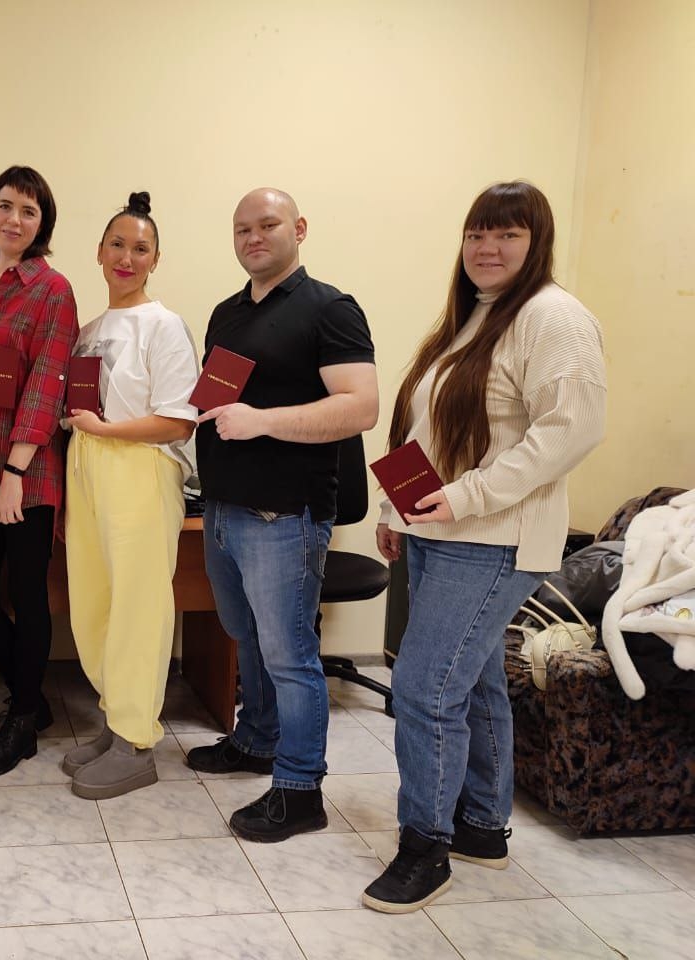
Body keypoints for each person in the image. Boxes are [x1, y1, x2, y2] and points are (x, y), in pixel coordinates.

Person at [362, 181, 606, 913]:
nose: (487, 248)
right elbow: (427, 431)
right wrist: (397, 512)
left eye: (507, 234)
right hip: (439, 529)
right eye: (477, 234)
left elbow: (569, 432)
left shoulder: (553, 317)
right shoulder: (474, 317)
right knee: (474, 681)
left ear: (538, 242)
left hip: (493, 536)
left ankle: (424, 847)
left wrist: (467, 497)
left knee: (423, 687)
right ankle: (481, 826)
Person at [187, 187, 378, 842]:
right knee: (245, 635)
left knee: (290, 654)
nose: (253, 237)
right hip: (222, 508)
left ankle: (300, 790)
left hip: (284, 516)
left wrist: (262, 420)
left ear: (298, 228)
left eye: (267, 225)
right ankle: (257, 739)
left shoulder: (330, 308)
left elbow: (360, 407)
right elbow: (216, 399)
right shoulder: (228, 313)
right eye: (242, 228)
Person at [61, 192, 199, 799]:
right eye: (117, 244)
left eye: (140, 248)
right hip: (86, 466)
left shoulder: (164, 326)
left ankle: (137, 741)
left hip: (138, 470)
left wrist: (105, 431)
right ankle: (115, 719)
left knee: (139, 605)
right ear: (99, 251)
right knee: (94, 601)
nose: (127, 257)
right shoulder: (89, 331)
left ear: (155, 260)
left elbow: (178, 421)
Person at [0, 165, 79, 778]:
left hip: (26, 471)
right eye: (6, 206)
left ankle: (23, 720)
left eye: (29, 211)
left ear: (42, 223)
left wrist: (14, 473)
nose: (15, 220)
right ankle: (30, 696)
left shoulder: (53, 290)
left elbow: (48, 385)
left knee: (28, 596)